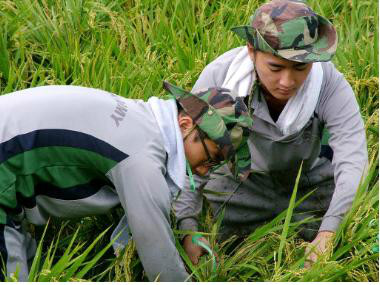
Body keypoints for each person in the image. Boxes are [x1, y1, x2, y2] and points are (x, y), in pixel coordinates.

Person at [174, 0, 368, 269]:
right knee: (213, 234)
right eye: (275, 68)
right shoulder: (221, 76)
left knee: (359, 235)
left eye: (300, 69)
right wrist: (188, 228)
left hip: (308, 183)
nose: (287, 82)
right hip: (243, 182)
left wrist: (329, 232)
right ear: (251, 51)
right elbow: (187, 158)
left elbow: (353, 159)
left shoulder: (330, 84)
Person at [0, 82, 253, 281]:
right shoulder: (142, 161)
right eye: (211, 158)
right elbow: (160, 262)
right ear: (185, 123)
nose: (203, 171)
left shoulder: (144, 121)